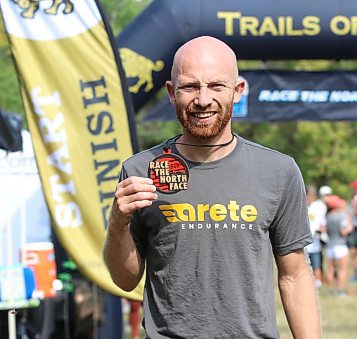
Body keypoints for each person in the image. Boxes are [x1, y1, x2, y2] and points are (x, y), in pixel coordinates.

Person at [103, 36, 320, 338]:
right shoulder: (140, 171)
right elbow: (125, 281)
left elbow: (295, 275)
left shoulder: (278, 171)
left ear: (237, 91)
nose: (203, 100)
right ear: (171, 92)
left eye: (216, 86)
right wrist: (117, 224)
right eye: (190, 86)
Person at [324, 195, 353, 296]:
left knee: (331, 269)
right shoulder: (341, 216)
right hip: (340, 245)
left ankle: (330, 290)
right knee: (343, 269)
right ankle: (340, 291)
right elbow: (344, 232)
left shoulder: (327, 216)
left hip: (330, 245)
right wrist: (350, 226)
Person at [305, 185, 327, 288]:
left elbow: (322, 223)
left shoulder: (317, 207)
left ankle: (318, 284)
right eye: (308, 195)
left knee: (316, 265)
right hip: (303, 244)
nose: (309, 198)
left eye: (311, 196)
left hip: (315, 243)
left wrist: (321, 231)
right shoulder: (300, 207)